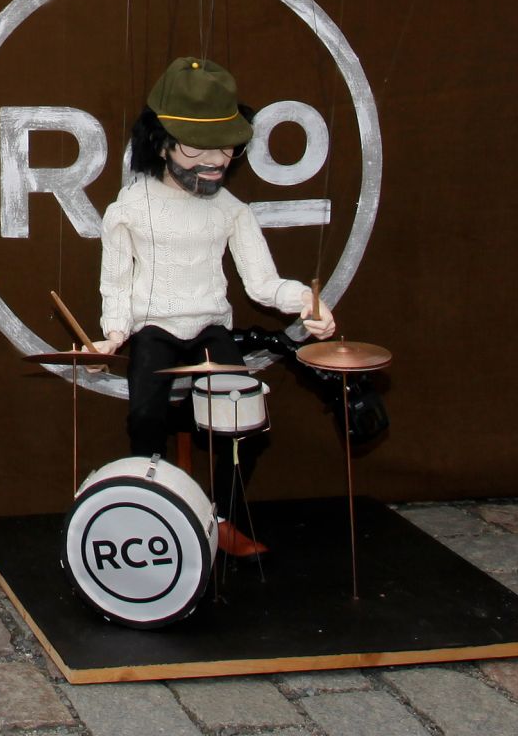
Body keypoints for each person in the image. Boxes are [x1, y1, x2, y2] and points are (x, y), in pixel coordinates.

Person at [88, 57, 335, 557]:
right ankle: (155, 518)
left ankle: (221, 519)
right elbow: (115, 281)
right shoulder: (129, 208)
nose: (216, 160)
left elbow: (263, 284)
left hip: (209, 330)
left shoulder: (231, 211)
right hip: (154, 330)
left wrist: (308, 302)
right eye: (198, 147)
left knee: (244, 422)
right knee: (145, 419)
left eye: (226, 147)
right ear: (161, 143)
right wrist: (113, 334)